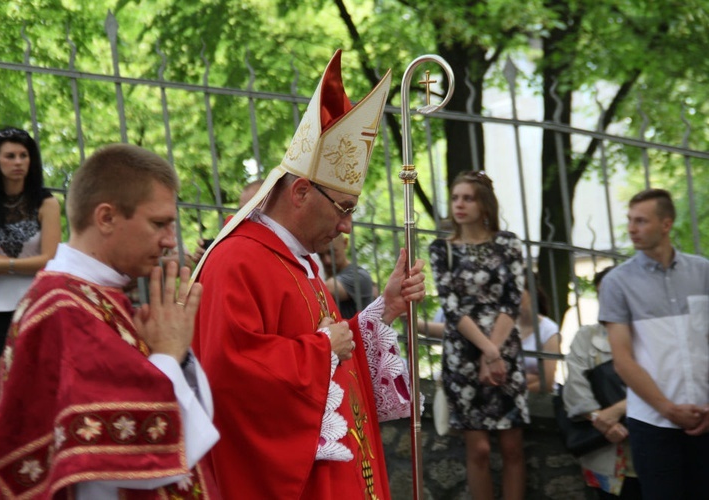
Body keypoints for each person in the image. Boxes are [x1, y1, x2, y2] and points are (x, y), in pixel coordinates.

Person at [191, 50, 425, 499]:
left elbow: (335, 348)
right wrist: (320, 350)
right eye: (343, 209)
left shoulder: (296, 261)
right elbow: (228, 374)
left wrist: (385, 309)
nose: (346, 227)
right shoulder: (238, 260)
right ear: (300, 191)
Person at [0, 143, 220, 499]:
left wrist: (177, 354)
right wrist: (170, 353)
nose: (171, 240)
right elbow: (117, 451)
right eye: (159, 223)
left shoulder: (97, 294)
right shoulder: (63, 307)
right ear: (106, 217)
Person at [599, 188, 709, 500]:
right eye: (630, 221)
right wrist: (668, 409)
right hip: (653, 422)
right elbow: (623, 360)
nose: (632, 229)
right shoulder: (617, 282)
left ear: (666, 224)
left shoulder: (703, 271)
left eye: (641, 221)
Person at [428, 170, 528, 500]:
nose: (459, 204)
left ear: (484, 203)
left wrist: (495, 352)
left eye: (467, 198)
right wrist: (488, 351)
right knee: (480, 449)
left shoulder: (508, 243)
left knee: (512, 447)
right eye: (456, 198)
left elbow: (512, 300)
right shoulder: (442, 250)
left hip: (504, 348)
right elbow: (452, 308)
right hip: (464, 352)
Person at [0, 128, 61, 381]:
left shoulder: (47, 203)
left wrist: (2, 264)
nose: (18, 162)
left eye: (24, 155)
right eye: (10, 156)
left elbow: (51, 261)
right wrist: (31, 263)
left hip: (40, 300)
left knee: (43, 386)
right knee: (6, 389)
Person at [565, 266, 641, 499]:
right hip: (607, 449)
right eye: (602, 295)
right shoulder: (587, 337)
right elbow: (574, 387)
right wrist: (600, 420)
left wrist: (617, 410)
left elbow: (667, 384)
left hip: (652, 445)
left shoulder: (652, 335)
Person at [518, 277, 560, 393]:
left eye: (519, 293)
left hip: (540, 402)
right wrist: (533, 377)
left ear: (532, 293)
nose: (513, 298)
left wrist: (515, 388)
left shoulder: (549, 329)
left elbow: (547, 382)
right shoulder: (507, 327)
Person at [317, 233, 374, 318]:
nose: (327, 260)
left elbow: (324, 290)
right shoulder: (323, 277)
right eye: (320, 255)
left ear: (345, 243)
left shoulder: (360, 276)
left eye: (332, 252)